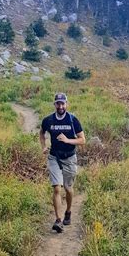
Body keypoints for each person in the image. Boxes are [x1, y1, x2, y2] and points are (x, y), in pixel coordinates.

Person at [40, 93, 85, 233]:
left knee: (68, 188)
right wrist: (44, 146)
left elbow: (82, 140)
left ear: (66, 104)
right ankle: (58, 220)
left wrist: (67, 140)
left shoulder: (73, 120)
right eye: (58, 103)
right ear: (54, 104)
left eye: (62, 103)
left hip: (70, 158)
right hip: (54, 157)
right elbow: (41, 133)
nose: (60, 106)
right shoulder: (48, 120)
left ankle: (68, 211)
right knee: (57, 188)